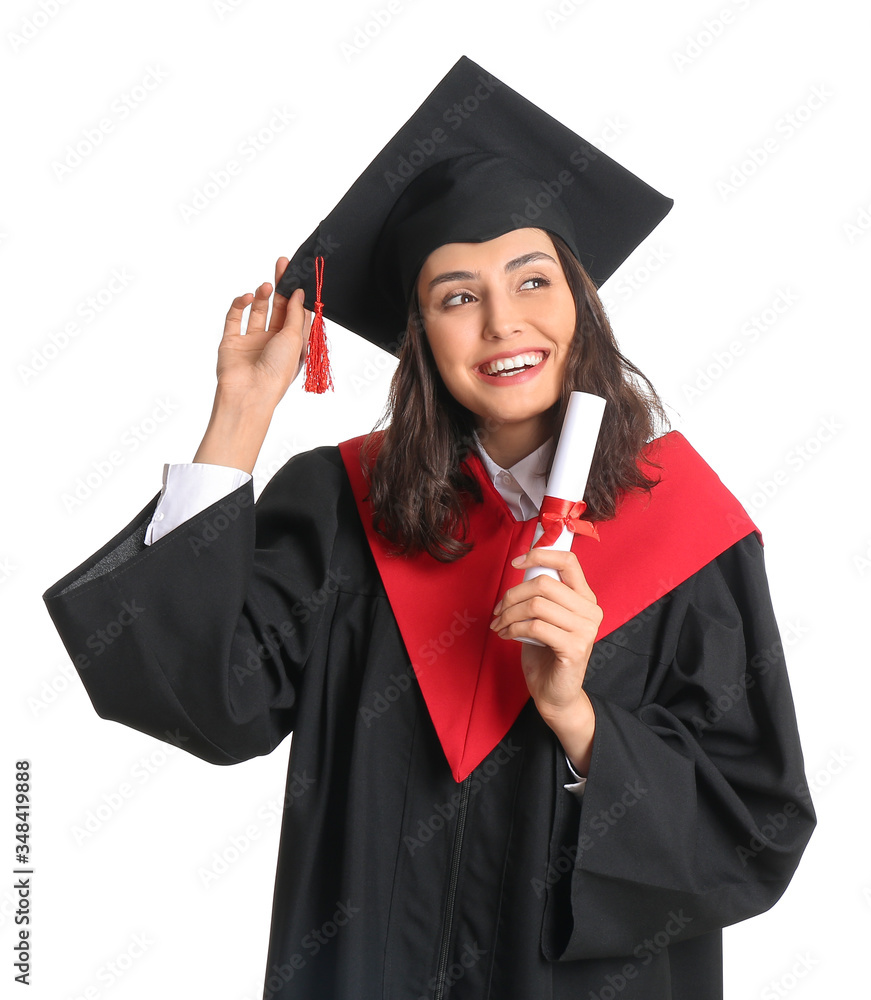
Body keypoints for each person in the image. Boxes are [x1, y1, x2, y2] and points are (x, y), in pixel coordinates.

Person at [43, 56, 815, 999]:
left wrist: (580, 718)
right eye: (457, 296)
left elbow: (752, 829)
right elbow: (201, 700)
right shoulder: (342, 506)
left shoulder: (687, 527)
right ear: (420, 333)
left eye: (532, 281)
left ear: (579, 302)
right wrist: (239, 418)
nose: (502, 322)